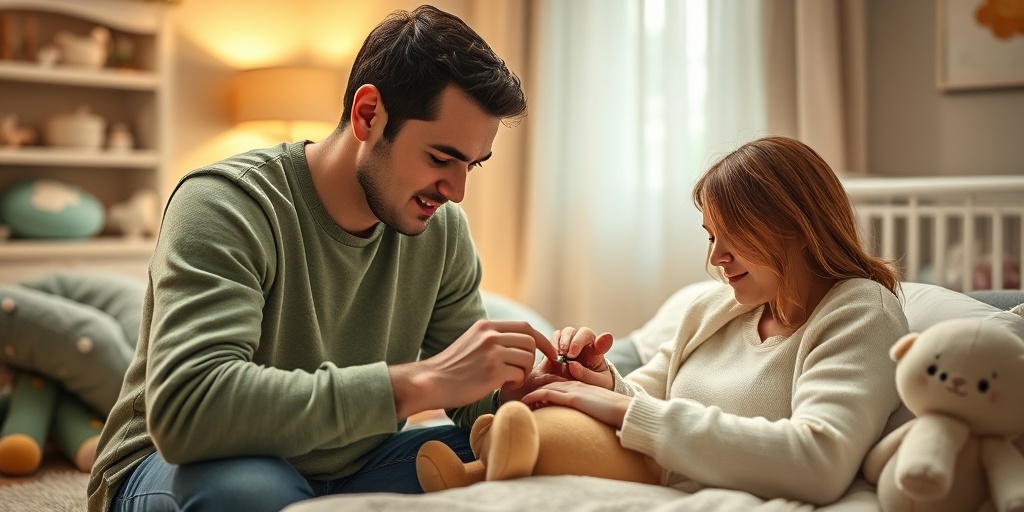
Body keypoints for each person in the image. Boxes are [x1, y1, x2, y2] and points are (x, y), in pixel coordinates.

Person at [87, 5, 566, 512]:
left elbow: (471, 396)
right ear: (368, 114)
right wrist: (419, 382)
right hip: (186, 463)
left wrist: (526, 393)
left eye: (473, 165)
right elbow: (191, 409)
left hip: (356, 465)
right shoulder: (224, 204)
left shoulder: (441, 231)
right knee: (253, 493)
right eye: (440, 158)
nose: (456, 190)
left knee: (536, 455)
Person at [522, 136, 910, 505]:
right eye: (711, 237)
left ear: (798, 227)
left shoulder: (861, 312)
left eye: (734, 233)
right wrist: (601, 380)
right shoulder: (711, 308)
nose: (716, 257)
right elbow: (645, 402)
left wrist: (623, 409)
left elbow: (819, 461)